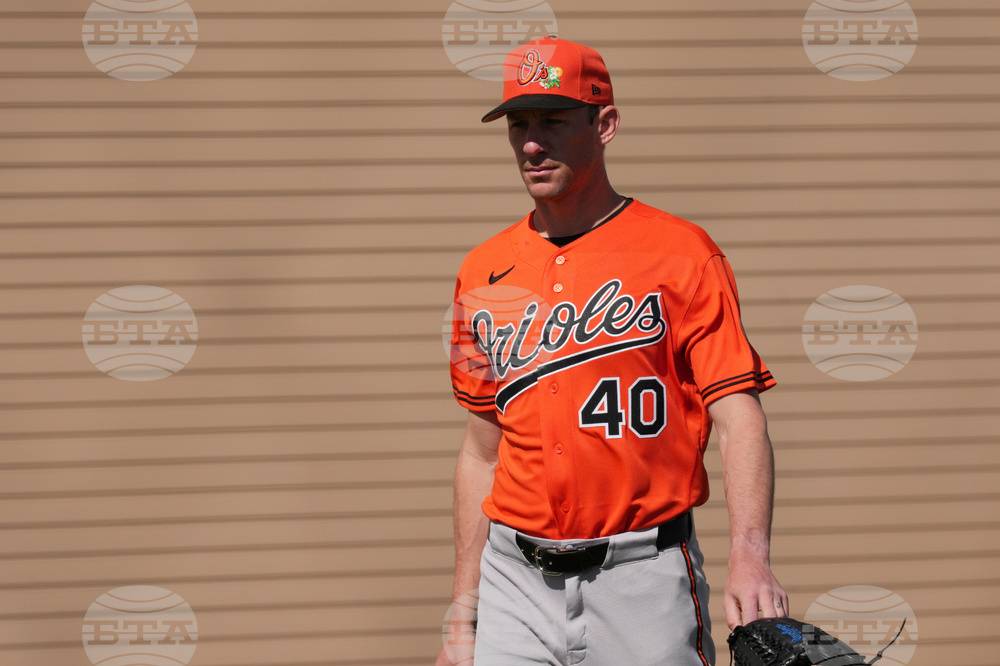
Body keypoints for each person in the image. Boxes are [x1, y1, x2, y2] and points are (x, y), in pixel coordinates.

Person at [438, 36, 787, 666]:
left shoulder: (684, 254)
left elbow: (739, 417)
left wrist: (749, 554)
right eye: (519, 124)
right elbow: (480, 452)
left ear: (606, 125)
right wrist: (463, 613)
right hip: (513, 581)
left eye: (552, 120)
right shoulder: (481, 270)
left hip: (643, 579)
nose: (531, 144)